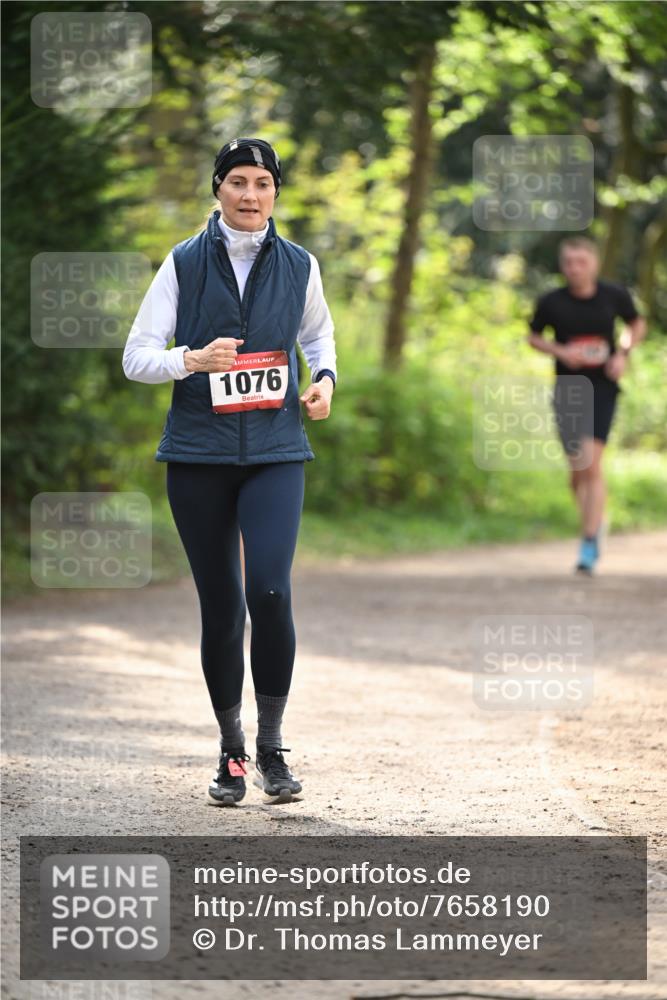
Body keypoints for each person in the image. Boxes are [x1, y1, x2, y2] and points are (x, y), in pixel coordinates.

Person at [122, 137, 337, 804]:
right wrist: (190, 360)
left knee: (268, 593)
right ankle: (231, 753)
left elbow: (316, 336)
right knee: (223, 609)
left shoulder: (300, 263)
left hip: (275, 451)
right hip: (197, 457)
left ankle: (272, 749)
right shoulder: (184, 262)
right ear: (217, 188)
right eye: (238, 182)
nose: (251, 195)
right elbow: (136, 357)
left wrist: (324, 379)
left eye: (263, 183)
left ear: (276, 192)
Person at [527, 236, 645, 574]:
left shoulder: (614, 295)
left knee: (592, 465)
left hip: (603, 387)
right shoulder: (551, 302)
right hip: (568, 390)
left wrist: (623, 353)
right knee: (577, 472)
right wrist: (562, 352)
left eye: (582, 262)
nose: (575, 269)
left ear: (593, 263)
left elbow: (636, 324)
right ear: (562, 266)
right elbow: (534, 336)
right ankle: (594, 522)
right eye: (569, 263)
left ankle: (589, 541)